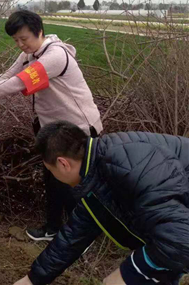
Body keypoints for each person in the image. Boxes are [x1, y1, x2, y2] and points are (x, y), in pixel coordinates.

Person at [0, 10, 102, 241]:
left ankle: (80, 237)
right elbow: (7, 75)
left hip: (77, 129)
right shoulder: (29, 55)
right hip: (53, 129)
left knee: (73, 185)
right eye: (16, 40)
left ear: (39, 31)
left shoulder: (54, 56)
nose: (21, 44)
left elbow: (18, 83)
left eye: (24, 39)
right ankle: (53, 229)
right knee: (52, 180)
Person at [14, 120, 189, 285]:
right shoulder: (97, 172)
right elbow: (74, 234)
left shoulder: (132, 165)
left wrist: (130, 271)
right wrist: (32, 279)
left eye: (50, 170)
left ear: (63, 164)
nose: (53, 177)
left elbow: (179, 241)